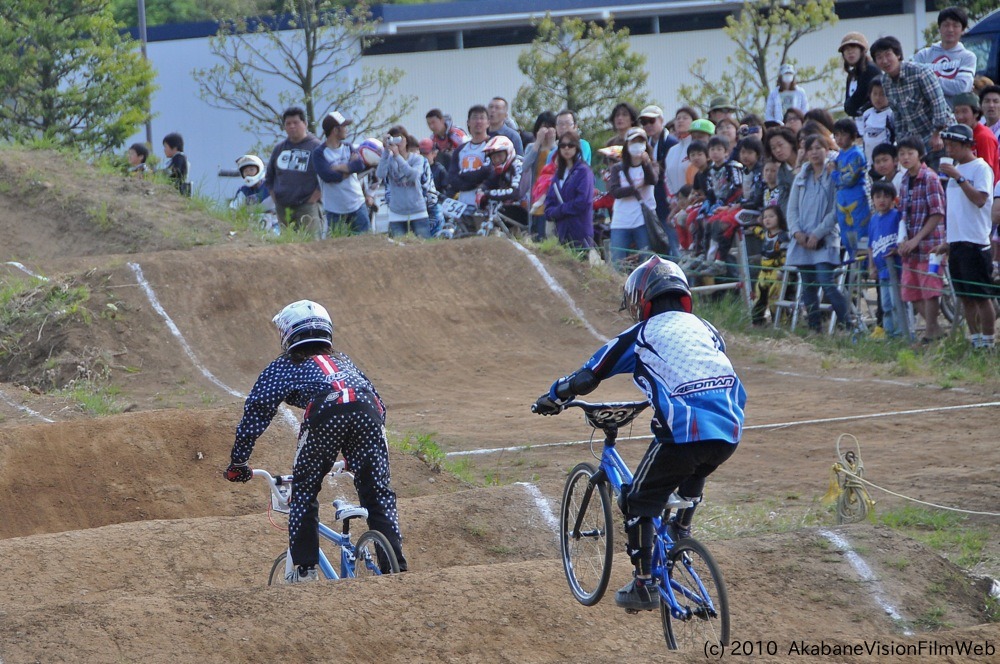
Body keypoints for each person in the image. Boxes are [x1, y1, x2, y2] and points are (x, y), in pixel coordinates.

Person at [533, 256, 745, 612]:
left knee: (636, 499)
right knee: (698, 465)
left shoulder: (643, 333)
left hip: (683, 432)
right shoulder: (706, 328)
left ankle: (643, 584)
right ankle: (682, 530)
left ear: (642, 299)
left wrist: (554, 396)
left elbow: (589, 375)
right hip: (730, 426)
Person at [224, 300, 408, 581]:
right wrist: (356, 451)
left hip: (326, 411)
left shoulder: (283, 366)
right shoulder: (343, 360)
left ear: (288, 333)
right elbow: (374, 401)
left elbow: (256, 412)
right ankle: (395, 568)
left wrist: (238, 461)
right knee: (378, 493)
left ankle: (306, 569)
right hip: (368, 410)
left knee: (305, 490)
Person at [938, 123, 996, 349]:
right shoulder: (954, 170)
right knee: (964, 297)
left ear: (967, 145)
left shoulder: (981, 168)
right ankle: (975, 340)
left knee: (982, 296)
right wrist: (948, 241)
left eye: (953, 145)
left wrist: (959, 177)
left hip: (976, 242)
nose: (948, 149)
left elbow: (980, 200)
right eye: (947, 145)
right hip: (957, 242)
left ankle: (989, 342)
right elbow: (956, 211)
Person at [787, 134, 853, 333]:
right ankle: (814, 328)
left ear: (827, 149)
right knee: (807, 287)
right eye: (811, 148)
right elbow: (792, 209)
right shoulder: (800, 176)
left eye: (819, 148)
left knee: (827, 282)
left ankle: (847, 325)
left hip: (825, 239)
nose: (815, 152)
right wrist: (797, 232)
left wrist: (817, 234)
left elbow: (836, 209)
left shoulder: (834, 175)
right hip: (802, 239)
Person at [896, 135, 946, 342]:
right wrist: (903, 240)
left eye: (910, 153)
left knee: (930, 289)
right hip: (911, 246)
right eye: (902, 154)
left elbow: (937, 213)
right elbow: (903, 214)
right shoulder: (905, 180)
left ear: (920, 155)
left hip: (931, 246)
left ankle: (930, 333)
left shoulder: (930, 178)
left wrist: (916, 239)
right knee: (910, 290)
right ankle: (935, 330)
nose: (906, 157)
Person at [872, 36, 954, 157]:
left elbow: (938, 104)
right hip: (917, 146)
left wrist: (937, 134)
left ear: (898, 55)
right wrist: (901, 145)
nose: (884, 61)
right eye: (879, 57)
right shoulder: (885, 81)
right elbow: (898, 116)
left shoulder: (920, 72)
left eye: (888, 55)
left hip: (941, 138)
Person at [265, 107, 324, 238]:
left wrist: (314, 198)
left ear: (305, 124)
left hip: (307, 206)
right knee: (288, 246)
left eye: (295, 122)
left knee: (311, 245)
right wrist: (275, 198)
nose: (292, 126)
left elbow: (325, 176)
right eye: (288, 123)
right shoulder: (279, 149)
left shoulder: (316, 147)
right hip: (283, 208)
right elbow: (269, 178)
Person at [313, 111, 370, 235]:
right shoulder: (319, 153)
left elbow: (359, 165)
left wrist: (337, 167)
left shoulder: (348, 147)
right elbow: (328, 176)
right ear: (335, 130)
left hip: (357, 204)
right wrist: (349, 168)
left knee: (365, 244)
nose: (346, 129)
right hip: (334, 209)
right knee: (336, 247)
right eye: (344, 126)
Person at [608, 126, 658, 269]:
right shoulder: (617, 168)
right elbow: (615, 191)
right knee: (617, 261)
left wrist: (646, 163)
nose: (637, 145)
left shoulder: (651, 165)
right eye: (633, 142)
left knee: (647, 261)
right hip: (621, 220)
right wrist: (635, 188)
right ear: (627, 145)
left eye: (640, 142)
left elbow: (653, 180)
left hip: (643, 220)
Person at [912, 6, 977, 108]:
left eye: (955, 26)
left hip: (954, 116)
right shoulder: (923, 55)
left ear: (963, 30)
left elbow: (961, 88)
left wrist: (927, 80)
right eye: (946, 25)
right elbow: (913, 85)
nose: (950, 29)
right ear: (939, 28)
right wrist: (948, 85)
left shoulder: (967, 57)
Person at [376, 125, 432, 239]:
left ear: (406, 140)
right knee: (398, 248)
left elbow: (414, 176)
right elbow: (380, 174)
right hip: (397, 212)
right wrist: (386, 152)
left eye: (400, 138)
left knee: (425, 247)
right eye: (394, 139)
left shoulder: (417, 158)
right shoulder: (390, 160)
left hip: (418, 210)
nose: (398, 143)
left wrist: (397, 156)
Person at [544, 130, 596, 250]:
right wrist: (552, 212)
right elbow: (549, 202)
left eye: (570, 145)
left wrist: (559, 211)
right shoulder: (558, 174)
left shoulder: (584, 171)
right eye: (562, 146)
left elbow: (583, 201)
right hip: (561, 233)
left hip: (580, 232)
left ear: (577, 148)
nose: (566, 148)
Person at [867, 181, 905, 338]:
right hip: (882, 270)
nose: (882, 200)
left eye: (886, 196)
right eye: (878, 197)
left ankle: (902, 332)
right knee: (886, 304)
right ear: (873, 200)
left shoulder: (897, 216)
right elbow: (871, 246)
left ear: (893, 199)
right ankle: (889, 334)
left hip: (896, 269)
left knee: (898, 303)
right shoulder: (873, 220)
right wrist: (871, 266)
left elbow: (903, 236)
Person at [640, 105, 679, 256]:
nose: (648, 125)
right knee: (658, 246)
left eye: (651, 120)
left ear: (661, 120)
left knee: (675, 245)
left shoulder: (671, 143)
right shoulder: (645, 145)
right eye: (644, 122)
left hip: (668, 201)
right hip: (652, 202)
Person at [831, 118, 872, 257]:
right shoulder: (840, 154)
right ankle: (854, 260)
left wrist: (833, 173)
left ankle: (865, 265)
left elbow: (849, 179)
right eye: (836, 135)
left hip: (856, 196)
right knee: (847, 232)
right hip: (843, 198)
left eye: (843, 134)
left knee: (860, 230)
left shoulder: (856, 154)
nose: (839, 139)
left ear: (852, 135)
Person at [745, 205, 790, 326]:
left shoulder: (783, 237)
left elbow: (786, 255)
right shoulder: (765, 234)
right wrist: (752, 226)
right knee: (759, 298)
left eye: (771, 216)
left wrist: (782, 270)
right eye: (765, 217)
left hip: (776, 272)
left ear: (779, 218)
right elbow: (758, 231)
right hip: (763, 272)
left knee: (775, 298)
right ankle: (757, 322)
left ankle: (780, 323)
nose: (767, 219)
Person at [446, 104, 491, 207]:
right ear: (468, 122)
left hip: (485, 204)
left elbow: (489, 172)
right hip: (463, 204)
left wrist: (464, 175)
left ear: (488, 123)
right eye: (475, 117)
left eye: (482, 118)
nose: (478, 121)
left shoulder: (493, 145)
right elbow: (452, 178)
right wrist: (473, 183)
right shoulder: (460, 150)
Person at [952, 92, 1000, 183]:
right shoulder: (962, 134)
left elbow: (987, 174)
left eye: (964, 111)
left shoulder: (984, 137)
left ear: (976, 113)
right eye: (957, 112)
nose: (960, 116)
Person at [523, 111, 557, 241]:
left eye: (550, 126)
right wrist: (537, 143)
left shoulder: (558, 148)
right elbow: (525, 166)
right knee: (535, 234)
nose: (546, 131)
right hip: (534, 198)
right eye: (543, 126)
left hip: (550, 198)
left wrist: (552, 144)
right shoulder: (532, 147)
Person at [840, 32, 881, 129]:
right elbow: (848, 105)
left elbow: (859, 99)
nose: (850, 52)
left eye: (853, 48)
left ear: (862, 51)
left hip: (874, 125)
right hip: (859, 127)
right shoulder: (851, 75)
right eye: (846, 50)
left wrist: (852, 108)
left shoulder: (871, 70)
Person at [229, 154, 276, 235]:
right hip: (251, 229)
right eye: (245, 171)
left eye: (251, 169)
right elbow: (233, 209)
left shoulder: (271, 186)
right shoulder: (243, 191)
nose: (248, 173)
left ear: (259, 169)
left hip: (274, 226)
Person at [664, 106, 700, 205]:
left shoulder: (697, 147)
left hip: (694, 201)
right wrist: (672, 199)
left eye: (685, 118)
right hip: (676, 202)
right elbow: (666, 177)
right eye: (678, 118)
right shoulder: (672, 150)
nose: (680, 121)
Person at [478, 135, 524, 211]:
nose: (497, 160)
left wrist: (487, 194)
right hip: (509, 207)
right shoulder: (499, 169)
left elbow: (515, 192)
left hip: (526, 209)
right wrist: (481, 191)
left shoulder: (518, 164)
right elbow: (489, 182)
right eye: (494, 157)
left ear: (508, 152)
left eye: (499, 156)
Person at [764, 126, 799, 217]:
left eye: (780, 145)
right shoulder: (781, 173)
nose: (778, 150)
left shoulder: (807, 162)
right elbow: (784, 201)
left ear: (790, 143)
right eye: (773, 148)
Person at [861, 79, 895, 165]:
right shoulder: (867, 114)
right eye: (875, 94)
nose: (878, 98)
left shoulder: (891, 114)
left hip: (887, 161)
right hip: (870, 162)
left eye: (882, 94)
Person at [420, 138, 448, 237]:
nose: (423, 157)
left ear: (434, 153)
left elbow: (446, 190)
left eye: (426, 154)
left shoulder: (440, 170)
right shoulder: (417, 169)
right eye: (421, 154)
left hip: (436, 204)